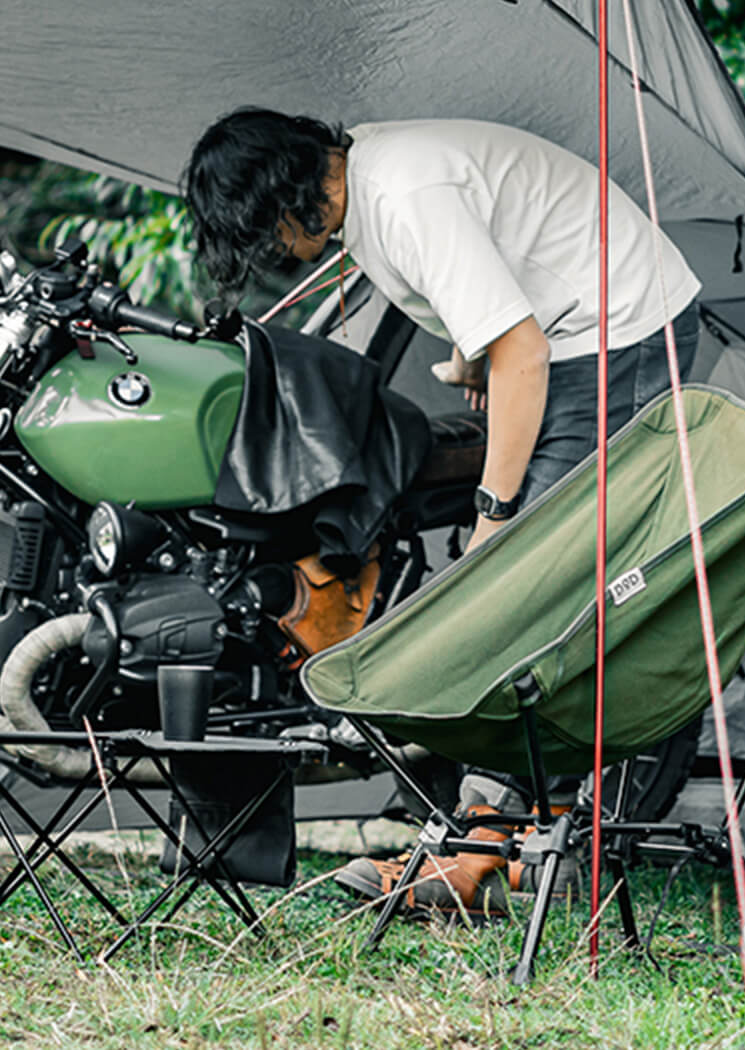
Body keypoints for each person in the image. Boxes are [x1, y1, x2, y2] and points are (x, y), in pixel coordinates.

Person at [184, 107, 701, 915]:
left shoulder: (403, 193)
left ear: (286, 198)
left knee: (536, 582)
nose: (276, 256)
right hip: (564, 331)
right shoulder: (372, 189)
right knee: (533, 579)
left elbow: (522, 349)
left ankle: (475, 853)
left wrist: (493, 514)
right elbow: (489, 293)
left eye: (265, 236)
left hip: (618, 328)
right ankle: (526, 842)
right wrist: (468, 354)